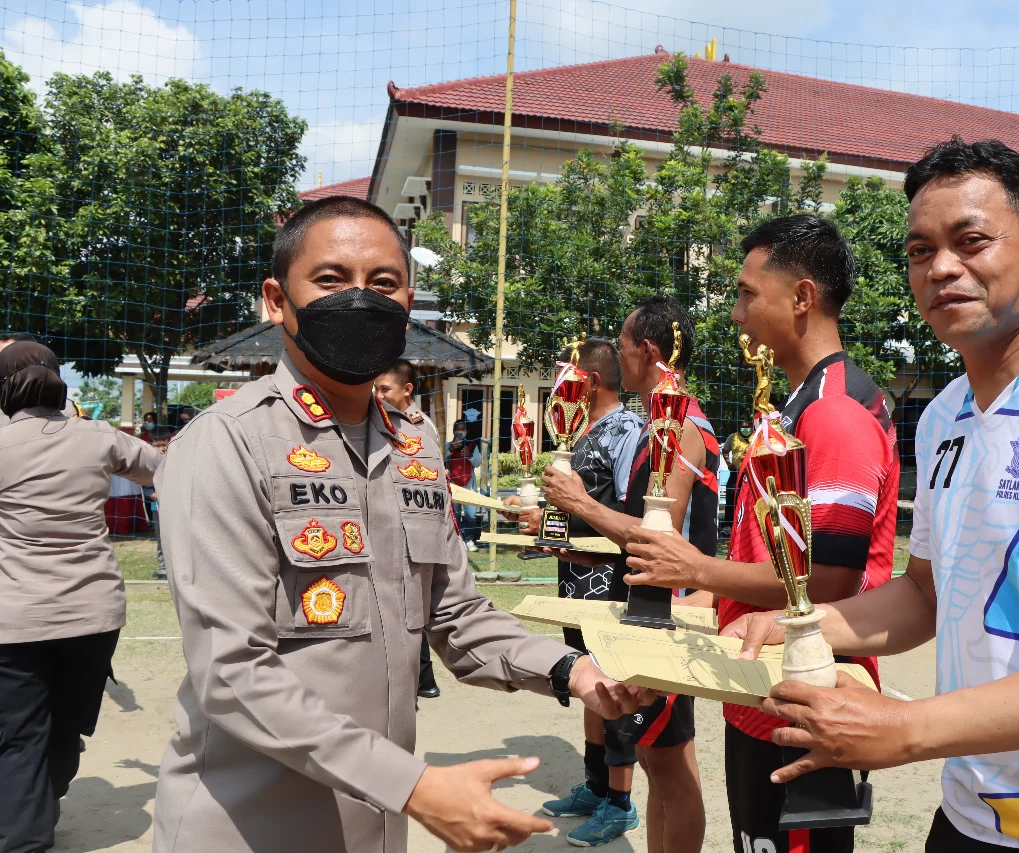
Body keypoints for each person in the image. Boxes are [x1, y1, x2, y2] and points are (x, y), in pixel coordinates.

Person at [728, 139, 1019, 852]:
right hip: (972, 813)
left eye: (971, 240)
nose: (942, 267)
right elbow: (927, 592)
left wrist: (908, 726)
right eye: (921, 250)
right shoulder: (948, 410)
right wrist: (809, 622)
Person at [151, 195, 651, 853]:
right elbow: (230, 670)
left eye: (382, 283)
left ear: (407, 301)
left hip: (374, 824)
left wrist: (570, 669)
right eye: (330, 280)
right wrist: (413, 785)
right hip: (249, 827)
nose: (359, 299)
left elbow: (455, 613)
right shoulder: (228, 442)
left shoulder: (414, 442)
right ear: (276, 299)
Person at [623, 216, 900, 853]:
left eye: (748, 294)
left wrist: (693, 569)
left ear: (801, 297)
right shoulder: (798, 404)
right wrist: (707, 598)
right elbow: (772, 550)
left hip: (804, 696)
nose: (735, 314)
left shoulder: (836, 411)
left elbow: (824, 580)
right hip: (764, 687)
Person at [536, 310, 716, 850]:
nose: (618, 354)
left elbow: (662, 541)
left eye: (623, 342)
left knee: (672, 771)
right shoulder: (664, 421)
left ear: (647, 351)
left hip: (670, 617)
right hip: (649, 611)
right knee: (660, 769)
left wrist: (579, 503)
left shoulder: (678, 425)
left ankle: (618, 807)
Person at [0, 342, 163, 852]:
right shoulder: (97, 436)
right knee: (66, 727)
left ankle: (23, 833)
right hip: (94, 614)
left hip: (16, 616)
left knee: (18, 734)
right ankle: (34, 813)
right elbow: (164, 469)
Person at [506, 339, 648, 846]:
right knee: (589, 680)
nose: (560, 388)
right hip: (577, 580)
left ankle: (621, 803)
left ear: (586, 381)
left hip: (614, 585)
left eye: (567, 377)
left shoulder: (630, 431)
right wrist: (542, 528)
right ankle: (595, 786)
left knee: (617, 686)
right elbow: (574, 510)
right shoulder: (580, 433)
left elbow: (636, 515)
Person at [374, 359, 442, 699]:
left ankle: (419, 680)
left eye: (385, 389)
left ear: (407, 390)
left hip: (414, 527)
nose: (378, 395)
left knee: (413, 606)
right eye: (376, 389)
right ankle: (415, 681)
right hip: (391, 525)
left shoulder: (418, 426)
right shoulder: (379, 421)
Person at [446, 418, 484, 551]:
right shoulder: (447, 446)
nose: (460, 432)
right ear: (453, 431)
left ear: (467, 431)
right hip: (453, 485)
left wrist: (469, 455)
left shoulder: (472, 445)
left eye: (463, 429)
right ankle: (458, 540)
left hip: (469, 485)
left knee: (470, 514)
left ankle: (469, 540)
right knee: (455, 513)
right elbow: (442, 463)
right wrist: (450, 450)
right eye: (458, 429)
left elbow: (478, 463)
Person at [722, 421, 750, 532]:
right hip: (735, 472)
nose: (745, 429)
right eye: (743, 427)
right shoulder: (733, 437)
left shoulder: (756, 437)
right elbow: (725, 451)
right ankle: (728, 525)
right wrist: (729, 464)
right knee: (731, 496)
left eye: (748, 427)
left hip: (749, 473)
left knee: (747, 498)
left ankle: (745, 525)